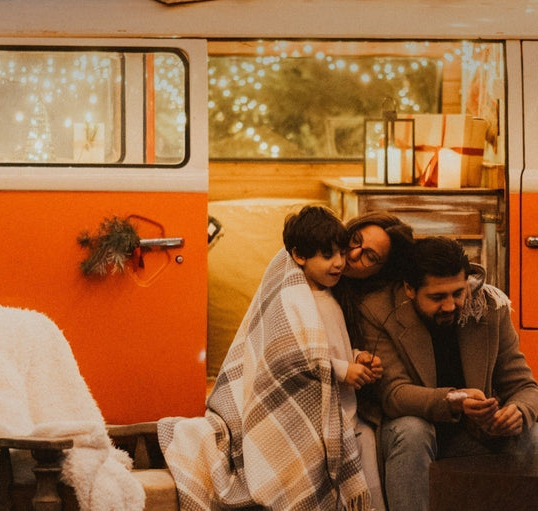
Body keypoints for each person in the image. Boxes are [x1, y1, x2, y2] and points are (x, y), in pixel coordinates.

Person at [160, 205, 382, 511]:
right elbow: (286, 358)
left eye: (341, 254)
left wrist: (357, 358)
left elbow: (330, 347)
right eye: (327, 255)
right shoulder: (292, 298)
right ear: (300, 256)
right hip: (310, 413)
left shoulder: (329, 296)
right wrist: (344, 371)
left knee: (366, 450)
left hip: (341, 406)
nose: (339, 263)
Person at [357, 236, 538, 511]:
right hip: (415, 437)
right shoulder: (379, 311)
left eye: (458, 293)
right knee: (412, 430)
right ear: (409, 289)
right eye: (437, 297)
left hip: (477, 434)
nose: (450, 305)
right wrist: (455, 399)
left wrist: (518, 412)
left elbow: (523, 385)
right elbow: (394, 394)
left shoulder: (488, 307)